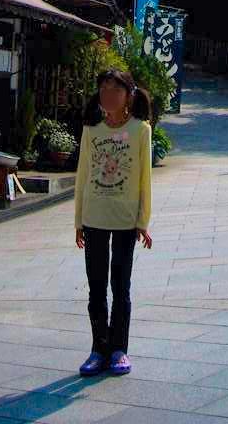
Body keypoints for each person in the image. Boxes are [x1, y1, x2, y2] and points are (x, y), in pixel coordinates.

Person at [74, 67, 153, 377]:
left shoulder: (140, 130)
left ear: (129, 95)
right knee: (96, 287)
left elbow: (145, 179)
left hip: (124, 218)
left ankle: (119, 349)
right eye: (104, 89)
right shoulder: (91, 129)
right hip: (94, 215)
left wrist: (143, 220)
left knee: (120, 287)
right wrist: (78, 219)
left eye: (115, 89)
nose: (108, 95)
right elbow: (83, 175)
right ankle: (98, 348)